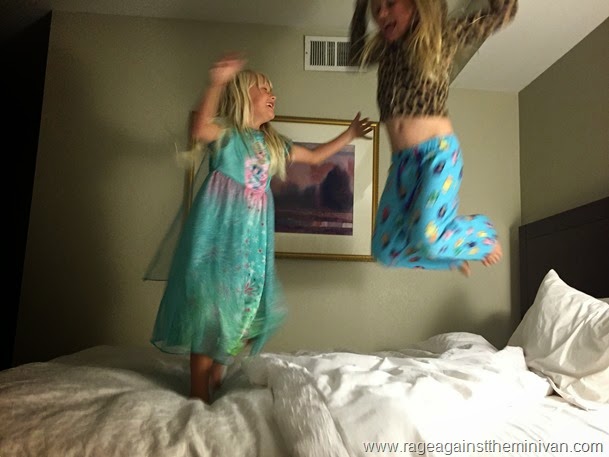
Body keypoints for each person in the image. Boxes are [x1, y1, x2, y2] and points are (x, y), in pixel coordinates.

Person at [150, 54, 373, 403]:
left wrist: (350, 133)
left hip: (252, 243)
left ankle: (220, 363)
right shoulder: (227, 135)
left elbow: (316, 157)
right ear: (243, 96)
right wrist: (217, 83)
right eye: (265, 88)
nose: (273, 94)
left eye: (273, 90)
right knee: (210, 307)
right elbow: (199, 127)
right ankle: (198, 392)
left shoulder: (272, 145)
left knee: (247, 307)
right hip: (219, 237)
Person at [349, 0, 517, 276]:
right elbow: (355, 56)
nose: (381, 13)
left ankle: (482, 234)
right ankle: (451, 256)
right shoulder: (386, 50)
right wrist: (359, 6)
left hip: (437, 155)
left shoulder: (442, 36)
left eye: (390, 3)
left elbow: (504, 14)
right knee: (384, 250)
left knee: (427, 238)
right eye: (375, 7)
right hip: (402, 164)